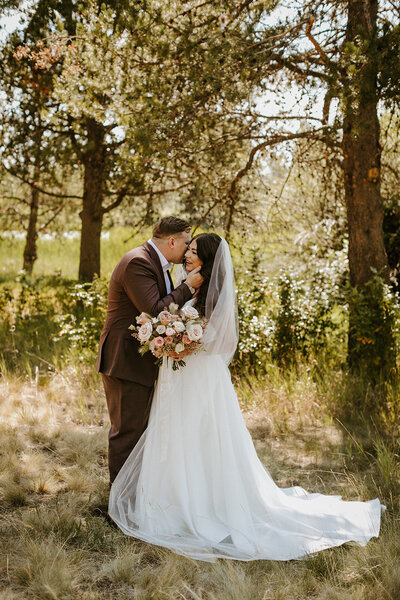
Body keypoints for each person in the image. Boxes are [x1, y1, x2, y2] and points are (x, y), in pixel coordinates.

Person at [108, 233, 384, 562]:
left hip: (199, 378)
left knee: (201, 439)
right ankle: (170, 502)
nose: (188, 257)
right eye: (188, 251)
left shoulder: (214, 295)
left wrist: (183, 341)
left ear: (208, 261)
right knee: (175, 435)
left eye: (194, 253)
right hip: (178, 378)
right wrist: (168, 337)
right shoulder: (188, 286)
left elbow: (221, 342)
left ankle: (204, 506)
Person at [97, 216, 203, 484]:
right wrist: (189, 286)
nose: (189, 249)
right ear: (171, 241)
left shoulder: (157, 263)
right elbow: (156, 310)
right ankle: (118, 506)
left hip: (139, 363)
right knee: (127, 433)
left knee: (138, 431)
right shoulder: (138, 262)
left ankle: (132, 499)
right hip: (124, 362)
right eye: (186, 243)